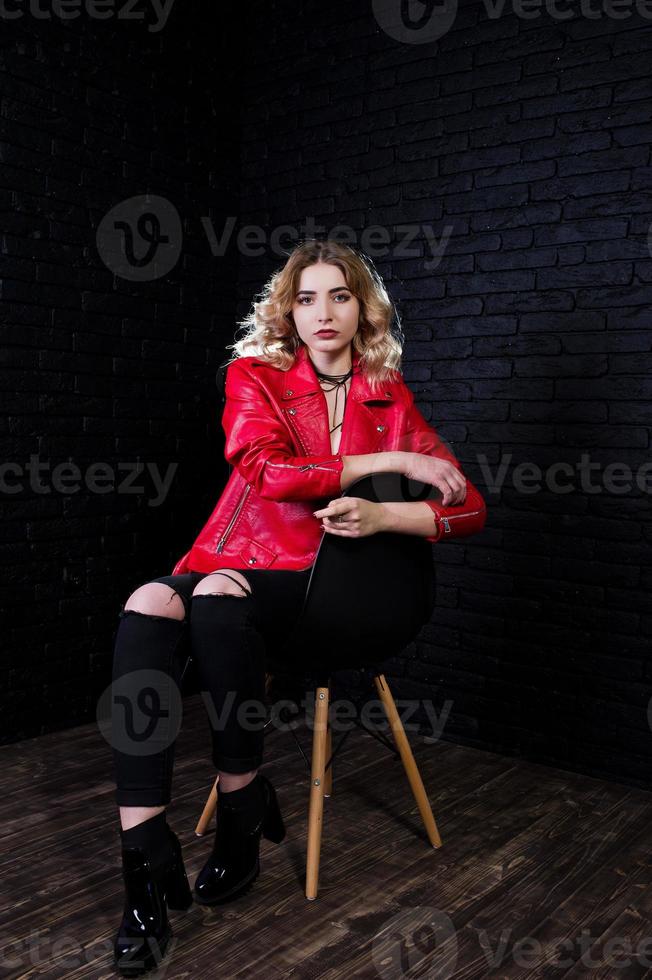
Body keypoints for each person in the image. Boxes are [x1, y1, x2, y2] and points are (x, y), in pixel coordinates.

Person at [110, 239, 487, 975]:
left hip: (334, 588)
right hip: (249, 556)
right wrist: (393, 464)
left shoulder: (389, 394)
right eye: (307, 297)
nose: (323, 312)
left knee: (217, 601)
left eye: (339, 295)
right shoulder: (257, 376)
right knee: (151, 599)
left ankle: (242, 808)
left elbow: (469, 507)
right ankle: (145, 855)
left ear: (362, 308)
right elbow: (266, 470)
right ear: (287, 309)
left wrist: (385, 518)